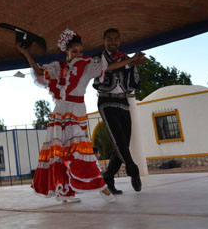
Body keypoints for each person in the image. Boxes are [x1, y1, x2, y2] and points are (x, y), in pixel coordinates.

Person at [17, 29, 143, 203]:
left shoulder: (87, 65)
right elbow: (39, 72)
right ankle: (65, 193)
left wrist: (131, 60)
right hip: (60, 112)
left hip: (76, 112)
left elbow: (110, 67)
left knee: (80, 149)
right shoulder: (58, 68)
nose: (78, 54)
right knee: (60, 153)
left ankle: (101, 187)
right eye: (74, 51)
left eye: (80, 51)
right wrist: (26, 54)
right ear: (66, 52)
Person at [92, 28, 147, 195]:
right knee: (119, 139)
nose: (113, 42)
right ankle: (133, 169)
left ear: (120, 41)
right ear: (104, 41)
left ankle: (108, 178)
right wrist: (129, 63)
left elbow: (134, 83)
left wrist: (133, 65)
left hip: (123, 101)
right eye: (109, 39)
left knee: (122, 144)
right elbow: (105, 70)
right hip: (106, 101)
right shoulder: (98, 58)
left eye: (116, 39)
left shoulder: (125, 58)